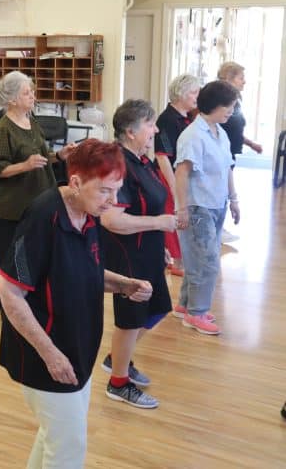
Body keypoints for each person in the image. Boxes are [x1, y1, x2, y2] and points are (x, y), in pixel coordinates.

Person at [0, 139, 153, 468]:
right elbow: (9, 292)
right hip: (45, 356)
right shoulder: (42, 217)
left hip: (78, 351)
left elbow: (87, 271)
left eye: (118, 190)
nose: (114, 201)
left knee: (55, 437)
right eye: (106, 191)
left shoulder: (88, 213)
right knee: (69, 446)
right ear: (77, 182)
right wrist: (50, 354)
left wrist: (124, 285)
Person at [100, 100, 178, 409]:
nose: (156, 129)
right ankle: (118, 383)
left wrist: (159, 248)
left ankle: (119, 357)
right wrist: (159, 223)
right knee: (130, 320)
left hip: (147, 249)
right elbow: (112, 220)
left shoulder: (141, 160)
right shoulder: (118, 165)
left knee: (158, 308)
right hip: (127, 254)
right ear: (131, 132)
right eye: (150, 124)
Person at [0, 71, 73, 310]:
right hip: (6, 205)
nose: (32, 96)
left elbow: (38, 156)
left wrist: (59, 156)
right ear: (12, 100)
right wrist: (25, 165)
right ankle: (1, 298)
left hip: (30, 200)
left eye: (32, 91)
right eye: (26, 93)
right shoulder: (3, 128)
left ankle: (18, 293)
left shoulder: (32, 121)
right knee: (5, 252)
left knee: (26, 250)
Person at [174, 80, 240, 335]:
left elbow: (227, 168)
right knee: (207, 261)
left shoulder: (219, 132)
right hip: (198, 206)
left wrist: (234, 200)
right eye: (228, 106)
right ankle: (196, 314)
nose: (231, 111)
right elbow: (182, 174)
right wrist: (182, 210)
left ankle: (186, 305)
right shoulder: (193, 136)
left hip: (217, 203)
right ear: (214, 106)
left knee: (199, 258)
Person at [154, 74, 200, 277]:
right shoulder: (167, 119)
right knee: (174, 214)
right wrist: (173, 186)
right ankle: (177, 261)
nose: (196, 97)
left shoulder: (186, 118)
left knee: (182, 215)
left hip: (181, 174)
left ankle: (181, 257)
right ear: (181, 94)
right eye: (193, 92)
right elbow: (162, 156)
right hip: (168, 174)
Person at [217, 61, 262, 242]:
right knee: (220, 191)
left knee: (224, 190)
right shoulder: (220, 99)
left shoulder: (234, 101)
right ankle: (217, 229)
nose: (244, 82)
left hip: (230, 154)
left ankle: (219, 227)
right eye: (241, 78)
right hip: (220, 155)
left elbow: (235, 130)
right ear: (229, 78)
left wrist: (251, 144)